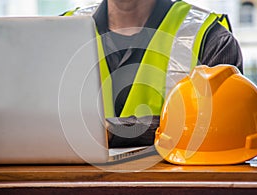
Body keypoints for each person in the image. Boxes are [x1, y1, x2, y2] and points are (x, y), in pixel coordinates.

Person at [63, 0, 243, 147]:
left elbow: (221, 126)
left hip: (174, 185)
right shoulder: (62, 30)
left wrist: (116, 130)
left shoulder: (211, 38)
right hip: (73, 183)